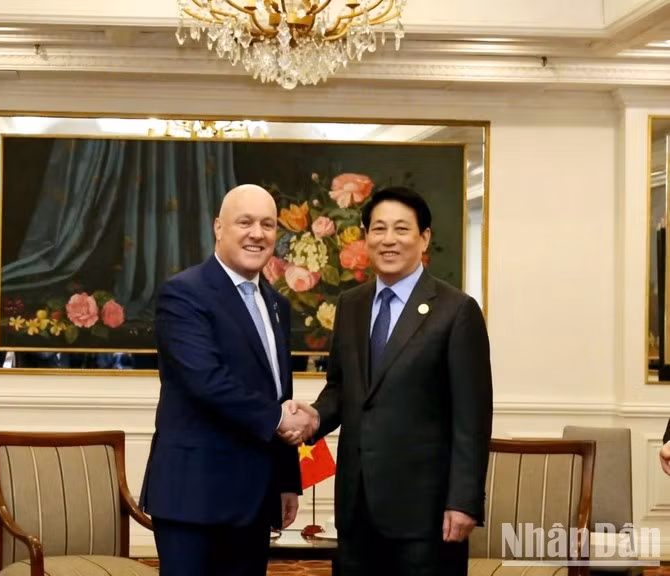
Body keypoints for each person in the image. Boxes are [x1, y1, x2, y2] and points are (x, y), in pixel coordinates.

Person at [293, 186, 493, 575]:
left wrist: (464, 501)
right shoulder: (351, 305)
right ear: (365, 237)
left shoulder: (456, 311)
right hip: (356, 510)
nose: (388, 240)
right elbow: (341, 387)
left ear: (424, 238)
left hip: (426, 515)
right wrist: (315, 417)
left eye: (401, 229)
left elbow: (473, 417)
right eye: (378, 229)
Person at [140, 184, 316, 576]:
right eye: (246, 222)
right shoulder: (184, 294)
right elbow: (205, 380)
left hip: (254, 498)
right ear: (219, 228)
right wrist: (279, 419)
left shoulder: (276, 304)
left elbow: (278, 393)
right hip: (194, 497)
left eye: (268, 224)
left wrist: (288, 480)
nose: (258, 233)